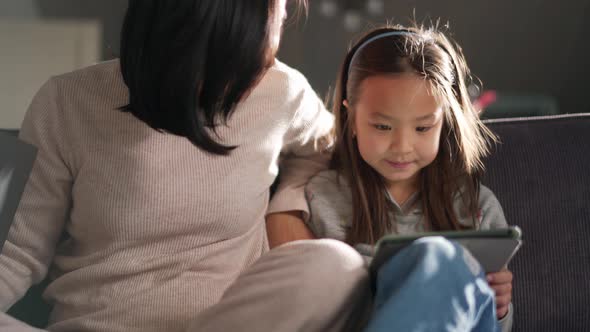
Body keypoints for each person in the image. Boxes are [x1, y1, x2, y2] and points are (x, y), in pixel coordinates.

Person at [0, 1, 371, 331]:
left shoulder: (281, 92)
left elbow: (328, 148)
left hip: (229, 321)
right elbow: (18, 252)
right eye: (232, 65)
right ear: (175, 46)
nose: (255, 78)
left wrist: (284, 210)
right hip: (99, 322)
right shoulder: (67, 101)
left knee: (336, 265)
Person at [274, 25, 515, 331]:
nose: (402, 148)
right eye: (383, 127)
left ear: (444, 123)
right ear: (351, 119)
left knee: (441, 258)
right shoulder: (321, 200)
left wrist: (501, 306)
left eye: (423, 128)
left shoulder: (476, 205)